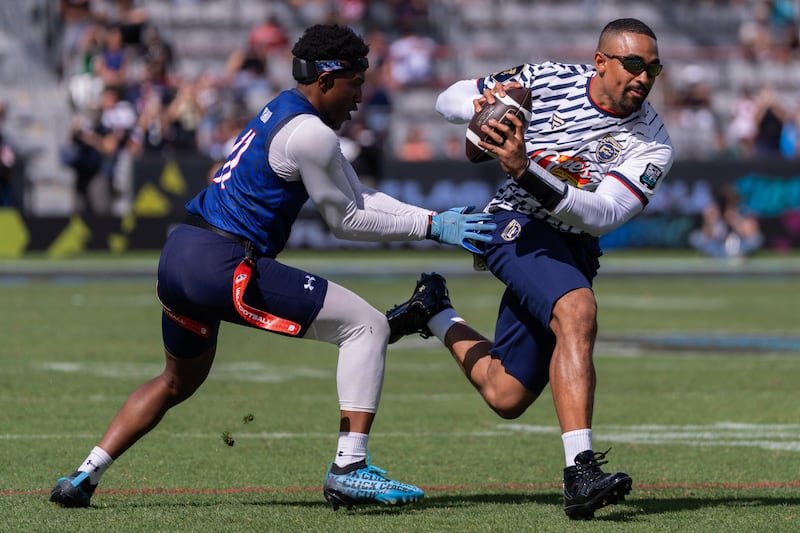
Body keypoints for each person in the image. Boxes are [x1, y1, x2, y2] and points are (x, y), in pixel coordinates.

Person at [49, 23, 494, 511]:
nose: (360, 98)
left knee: (177, 380)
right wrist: (433, 229)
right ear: (327, 80)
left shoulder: (287, 110)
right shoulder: (311, 134)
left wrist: (434, 219)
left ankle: (84, 475)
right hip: (224, 263)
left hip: (181, 256)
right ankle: (349, 467)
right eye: (356, 84)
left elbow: (358, 194)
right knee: (365, 327)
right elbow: (345, 218)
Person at [386, 18, 674, 520]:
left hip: (576, 244)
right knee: (577, 310)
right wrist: (482, 106)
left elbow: (602, 216)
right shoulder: (545, 78)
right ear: (600, 61)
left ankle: (432, 310)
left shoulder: (653, 141)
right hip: (513, 222)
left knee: (505, 394)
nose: (643, 78)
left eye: (652, 69)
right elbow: (448, 98)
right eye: (633, 64)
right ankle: (580, 471)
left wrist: (526, 168)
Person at [689, 183, 763, 259]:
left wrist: (735, 220)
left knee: (757, 239)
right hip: (718, 245)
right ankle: (719, 256)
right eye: (725, 200)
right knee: (696, 237)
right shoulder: (714, 210)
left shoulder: (743, 209)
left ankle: (734, 255)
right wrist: (710, 221)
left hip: (738, 244)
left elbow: (751, 233)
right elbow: (707, 235)